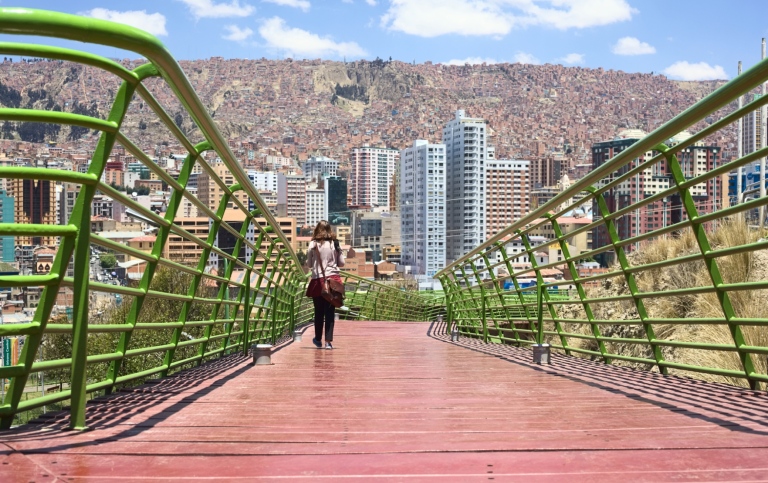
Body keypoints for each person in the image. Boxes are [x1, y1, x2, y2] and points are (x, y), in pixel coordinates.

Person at [305, 220, 344, 349]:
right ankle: (328, 342)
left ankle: (317, 339)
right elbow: (341, 263)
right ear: (330, 230)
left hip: (318, 281)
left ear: (317, 229)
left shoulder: (313, 244)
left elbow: (309, 265)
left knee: (319, 312)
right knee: (330, 311)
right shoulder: (335, 243)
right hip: (333, 280)